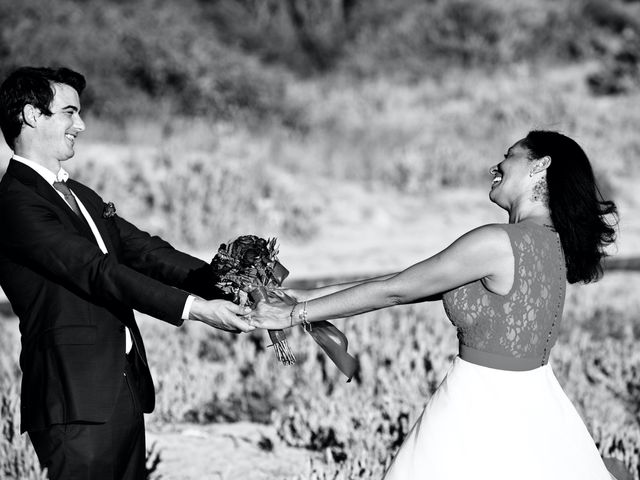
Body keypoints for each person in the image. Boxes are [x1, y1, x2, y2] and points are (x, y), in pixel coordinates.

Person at [252, 130, 626, 479]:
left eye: (509, 156)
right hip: (539, 406)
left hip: (478, 403)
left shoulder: (497, 242)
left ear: (539, 165)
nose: (496, 166)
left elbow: (393, 290)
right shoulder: (553, 243)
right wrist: (298, 301)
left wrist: (291, 315)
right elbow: (402, 287)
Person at [0, 66, 255, 480]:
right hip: (73, 398)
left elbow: (147, 251)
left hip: (122, 389)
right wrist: (199, 310)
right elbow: (98, 271)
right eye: (69, 112)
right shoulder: (14, 204)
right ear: (32, 115)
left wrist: (229, 283)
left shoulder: (80, 193)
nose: (80, 124)